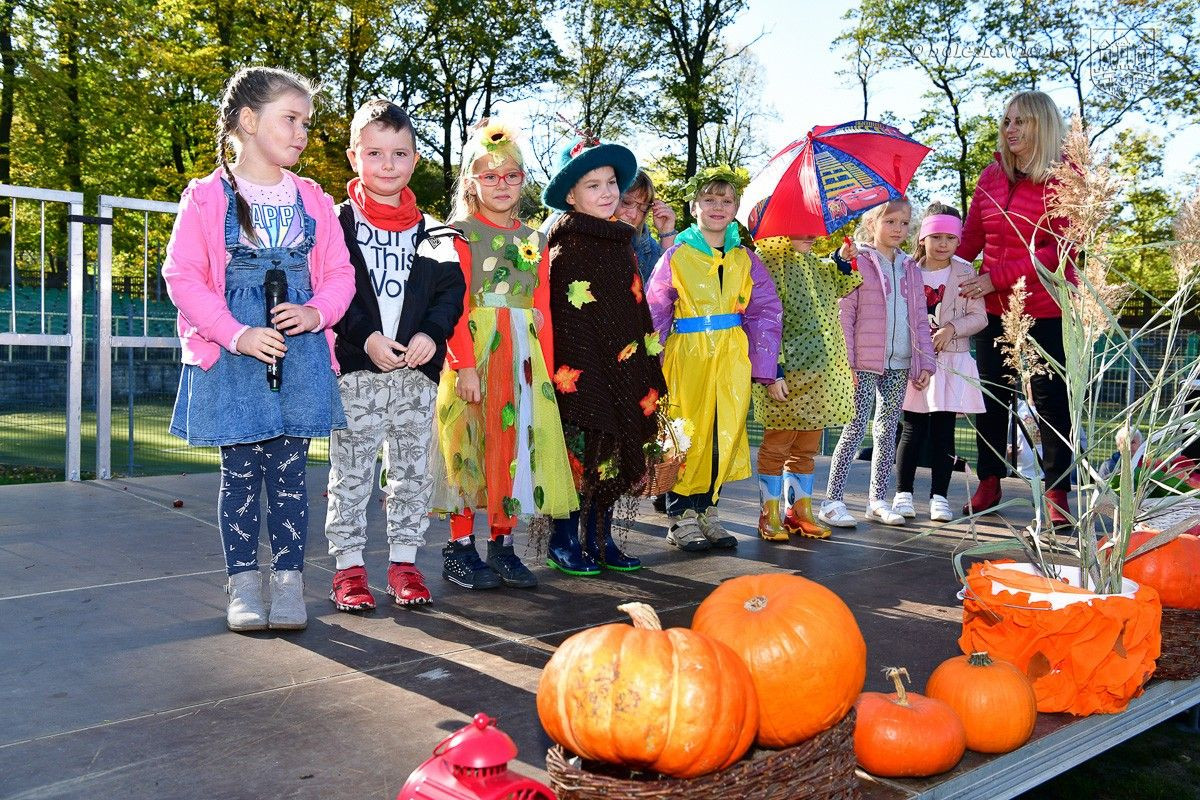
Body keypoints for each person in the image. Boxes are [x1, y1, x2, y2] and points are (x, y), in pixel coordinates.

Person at [163, 67, 355, 632]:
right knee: (241, 472)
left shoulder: (314, 200)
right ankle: (244, 582)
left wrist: (316, 312)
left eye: (306, 122)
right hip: (232, 357)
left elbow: (341, 274)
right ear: (248, 121)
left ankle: (290, 581)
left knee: (291, 471)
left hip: (298, 355)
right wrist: (236, 332)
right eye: (290, 119)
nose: (302, 133)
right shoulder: (204, 198)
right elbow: (184, 276)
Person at [322, 99, 466, 612]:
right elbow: (332, 291)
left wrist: (432, 334)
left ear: (415, 159)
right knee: (352, 473)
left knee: (412, 473)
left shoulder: (435, 230)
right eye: (376, 153)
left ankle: (404, 564)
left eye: (400, 154)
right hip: (357, 375)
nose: (388, 165)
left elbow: (451, 292)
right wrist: (366, 338)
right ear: (354, 156)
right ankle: (348, 570)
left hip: (416, 377)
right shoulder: (335, 223)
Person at [429, 119, 578, 589]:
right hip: (475, 353)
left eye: (511, 175)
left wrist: (547, 371)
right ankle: (459, 546)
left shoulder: (535, 240)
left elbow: (543, 308)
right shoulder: (459, 234)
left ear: (523, 181)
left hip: (522, 358)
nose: (501, 185)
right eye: (489, 176)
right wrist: (464, 365)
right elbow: (453, 305)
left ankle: (503, 543)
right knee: (467, 445)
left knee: (511, 447)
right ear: (471, 181)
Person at [543, 134, 667, 574]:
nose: (606, 192)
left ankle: (601, 536)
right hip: (578, 372)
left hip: (623, 364)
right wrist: (586, 370)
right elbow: (566, 320)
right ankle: (564, 537)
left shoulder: (622, 242)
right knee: (581, 452)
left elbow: (634, 309)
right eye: (592, 185)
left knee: (613, 451)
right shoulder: (565, 246)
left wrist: (642, 363)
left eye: (611, 182)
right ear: (572, 195)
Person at [646, 165, 782, 552]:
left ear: (737, 207)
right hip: (687, 355)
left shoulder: (745, 259)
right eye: (709, 199)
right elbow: (657, 310)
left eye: (726, 200)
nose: (718, 207)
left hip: (731, 356)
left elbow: (765, 311)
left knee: (725, 431)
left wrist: (765, 366)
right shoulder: (677, 256)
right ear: (694, 206)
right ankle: (681, 515)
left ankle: (709, 509)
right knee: (685, 432)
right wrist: (649, 363)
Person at [957, 90, 1073, 524]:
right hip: (991, 309)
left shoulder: (1065, 180)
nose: (1010, 130)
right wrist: (929, 269)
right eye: (1006, 121)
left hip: (1045, 309)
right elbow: (970, 240)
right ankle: (988, 482)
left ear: (1042, 126)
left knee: (1051, 402)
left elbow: (1058, 251)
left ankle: (1058, 493)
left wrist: (996, 277)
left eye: (1020, 121)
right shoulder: (990, 176)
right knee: (991, 397)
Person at [818, 198, 936, 528]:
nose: (899, 229)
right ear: (872, 224)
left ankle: (877, 500)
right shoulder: (860, 261)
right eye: (891, 222)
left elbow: (919, 317)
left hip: (899, 361)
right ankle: (832, 500)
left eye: (904, 222)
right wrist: (849, 363)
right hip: (865, 361)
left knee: (887, 432)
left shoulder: (911, 267)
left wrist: (923, 361)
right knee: (854, 427)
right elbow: (846, 315)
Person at [750, 233, 861, 542]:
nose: (811, 235)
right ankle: (768, 514)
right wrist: (773, 369)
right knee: (777, 446)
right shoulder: (769, 261)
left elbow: (840, 285)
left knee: (806, 449)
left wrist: (841, 258)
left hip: (817, 377)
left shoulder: (813, 263)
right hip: (785, 374)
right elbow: (764, 319)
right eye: (800, 227)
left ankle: (799, 512)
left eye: (813, 227)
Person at [892, 203, 986, 523]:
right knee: (912, 430)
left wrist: (952, 328)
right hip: (914, 362)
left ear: (958, 241)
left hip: (951, 362)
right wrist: (916, 354)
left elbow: (979, 316)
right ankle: (903, 494)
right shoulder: (907, 270)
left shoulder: (964, 271)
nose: (943, 244)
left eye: (950, 238)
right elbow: (898, 316)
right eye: (936, 237)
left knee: (945, 432)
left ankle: (939, 498)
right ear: (922, 238)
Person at [615, 169, 678, 283]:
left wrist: (667, 233)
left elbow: (668, 288)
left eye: (643, 209)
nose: (634, 215)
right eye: (627, 202)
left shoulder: (644, 245)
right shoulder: (583, 238)